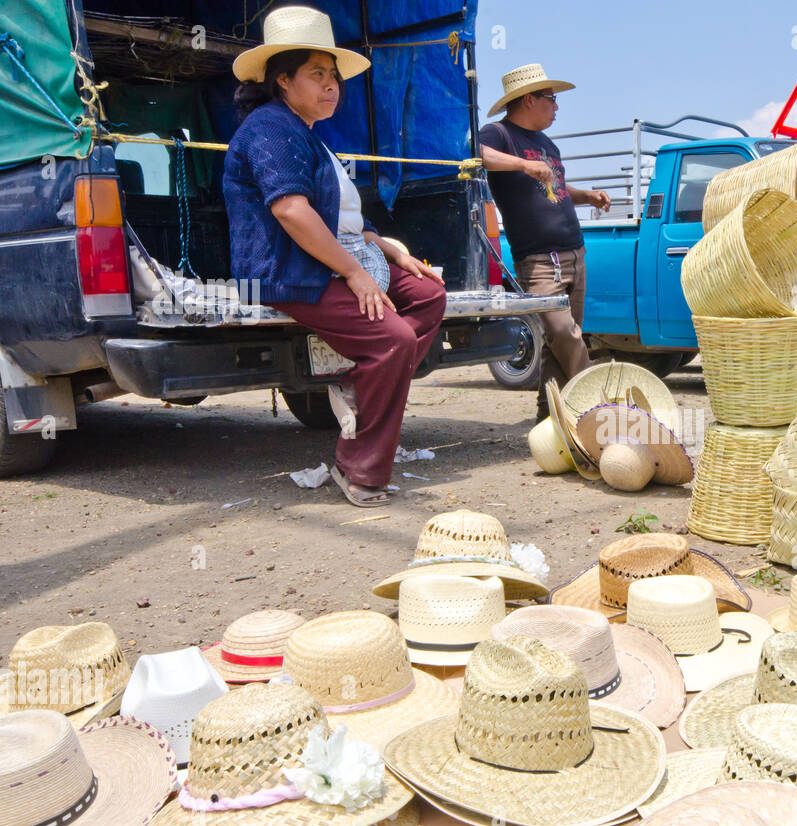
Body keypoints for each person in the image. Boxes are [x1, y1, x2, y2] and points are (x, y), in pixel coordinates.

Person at [223, 7, 446, 507]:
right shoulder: (270, 128)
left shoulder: (309, 135)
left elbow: (340, 219)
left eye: (334, 77)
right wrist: (354, 274)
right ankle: (358, 468)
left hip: (334, 260)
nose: (332, 87)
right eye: (317, 75)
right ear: (283, 80)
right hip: (288, 272)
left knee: (428, 295)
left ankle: (357, 386)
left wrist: (385, 248)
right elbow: (292, 212)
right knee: (392, 340)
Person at [478, 64, 611, 421]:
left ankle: (550, 417)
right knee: (564, 333)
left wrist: (588, 196)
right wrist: (523, 165)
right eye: (551, 100)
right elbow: (478, 156)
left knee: (562, 341)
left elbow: (557, 188)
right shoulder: (498, 134)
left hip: (574, 250)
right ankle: (598, 407)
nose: (556, 108)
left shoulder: (548, 145)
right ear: (528, 99)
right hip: (539, 259)